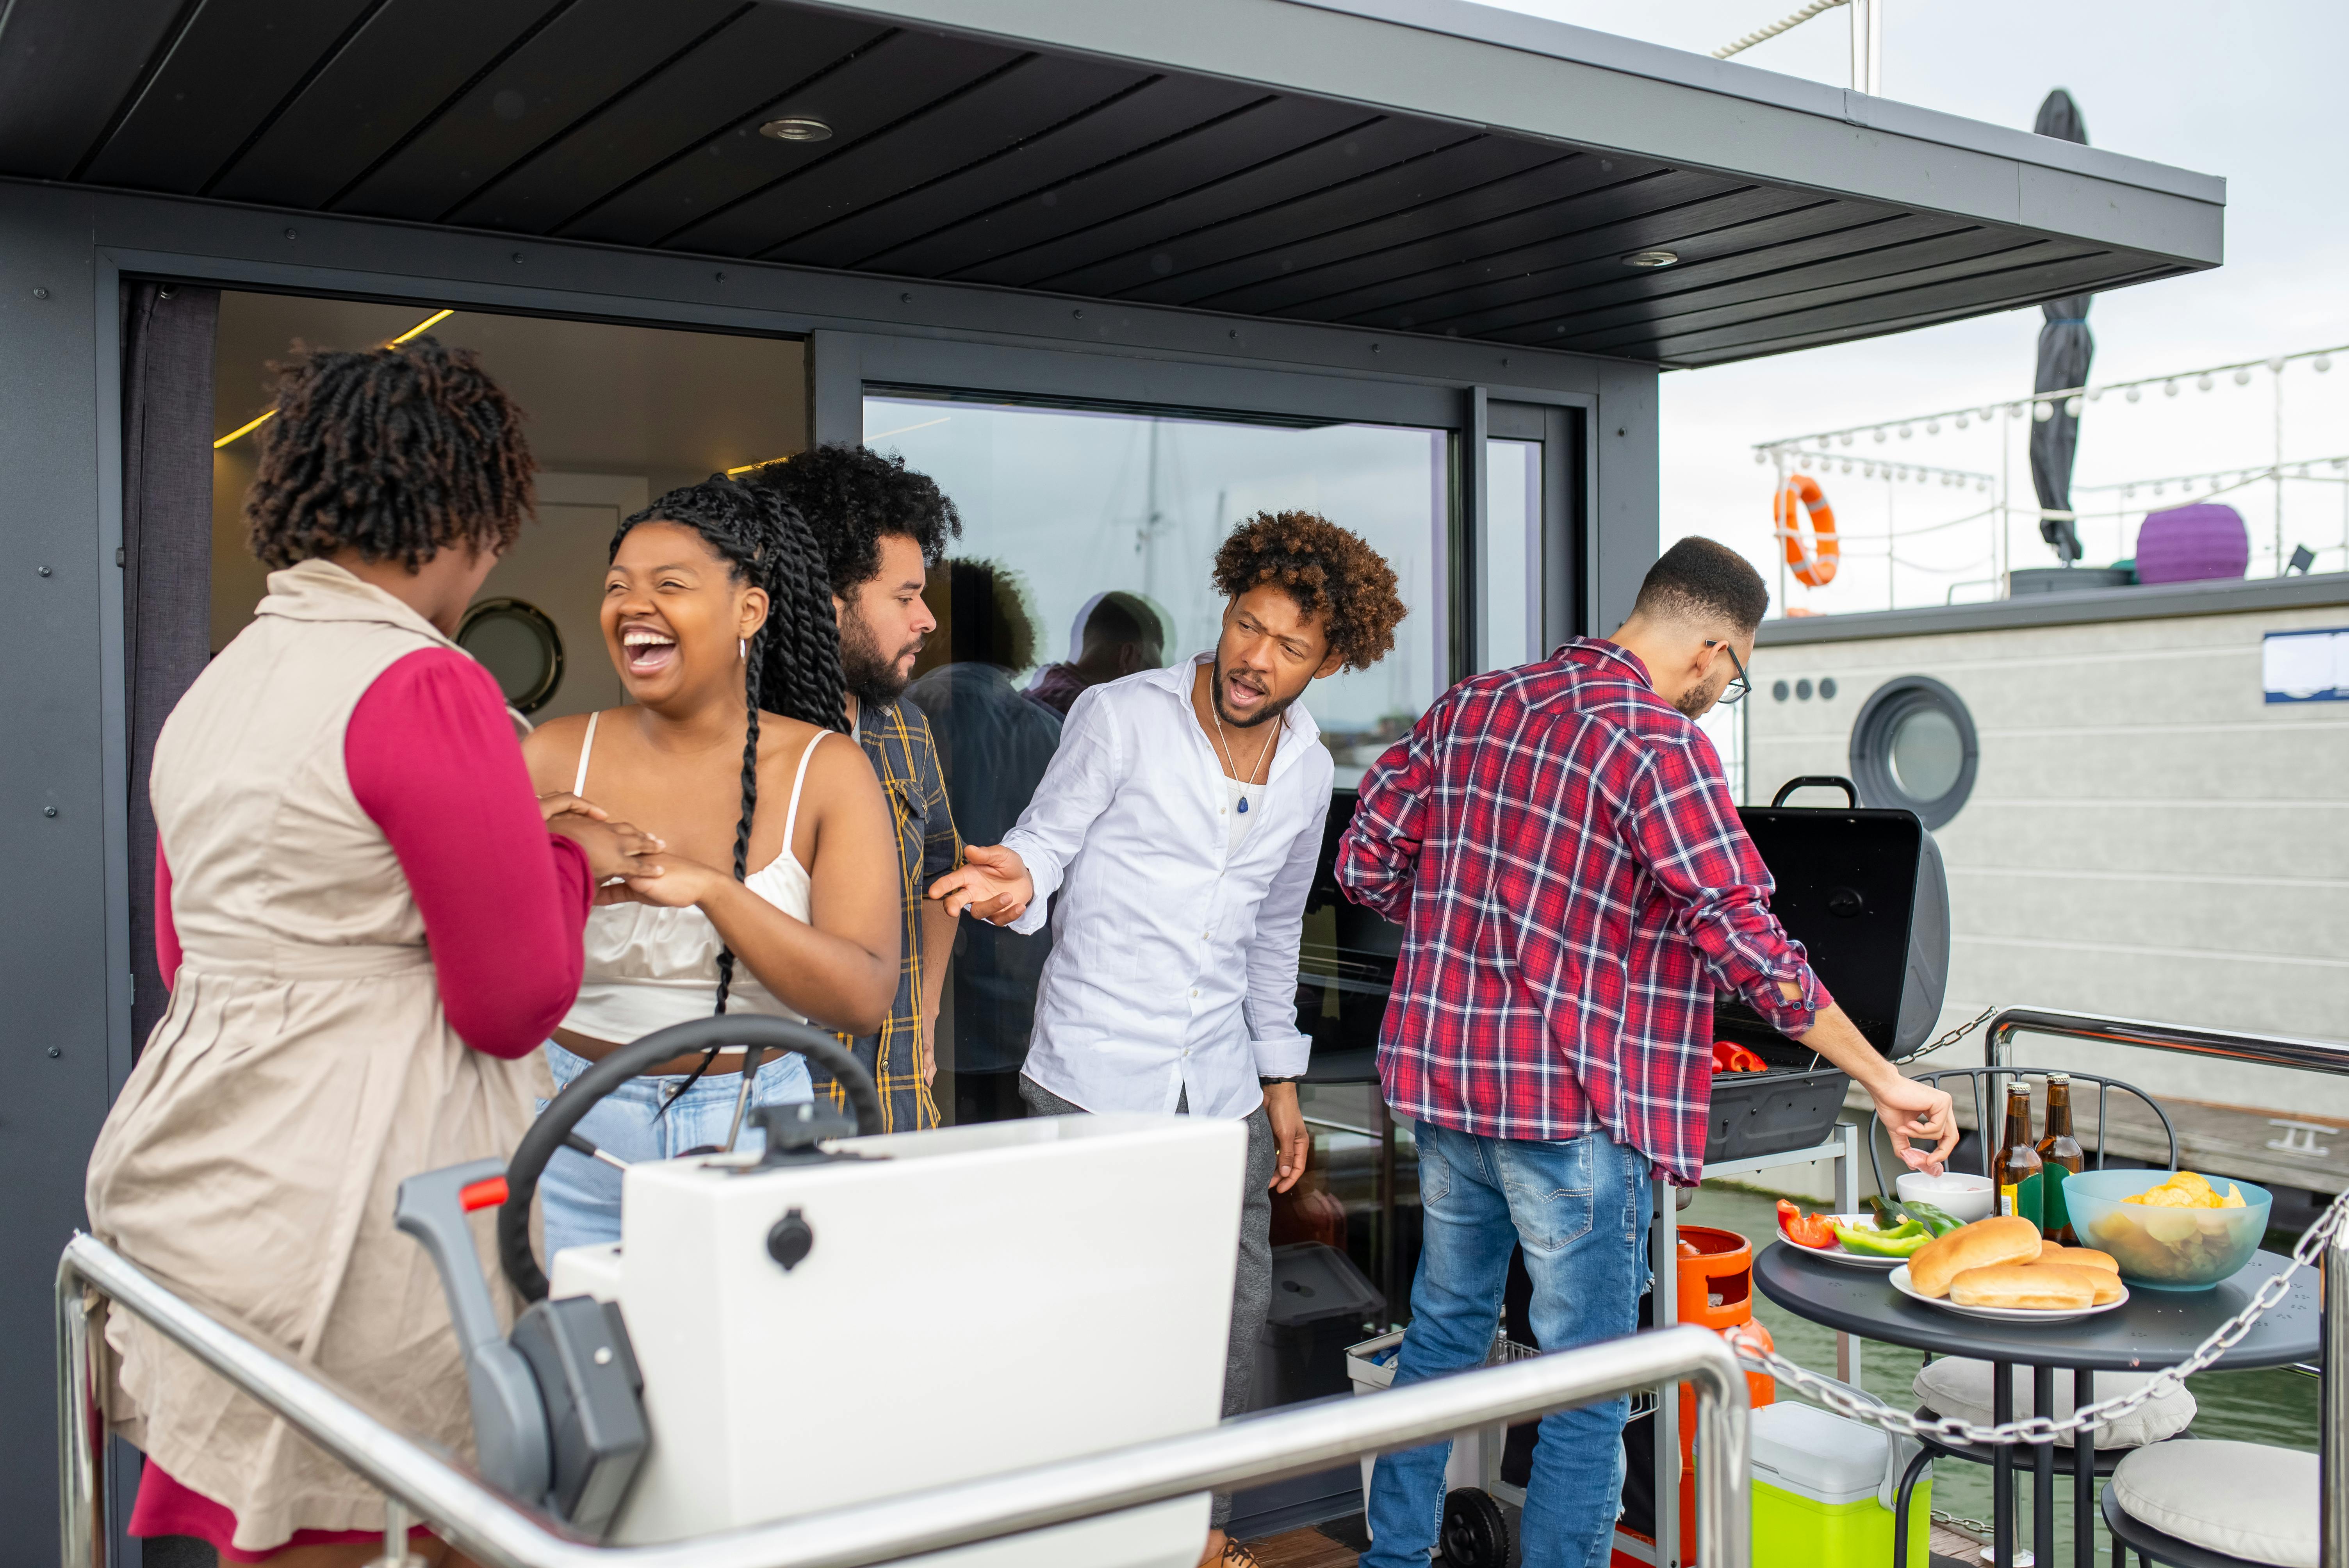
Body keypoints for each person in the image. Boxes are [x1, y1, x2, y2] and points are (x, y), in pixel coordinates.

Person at [86, 339, 658, 1565]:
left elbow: (188, 953)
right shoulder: (424, 684)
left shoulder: (220, 686)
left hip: (203, 1175)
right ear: (460, 517)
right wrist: (574, 860)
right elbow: (512, 999)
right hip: (359, 1207)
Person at [1335, 536, 1959, 1568]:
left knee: (1444, 1337)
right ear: (1714, 648)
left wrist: (1466, 928)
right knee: (1591, 1379)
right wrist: (1885, 1080)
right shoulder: (1658, 745)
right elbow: (1751, 946)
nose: (1724, 690)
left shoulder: (1470, 705)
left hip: (1446, 1092)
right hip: (1575, 1112)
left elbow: (1365, 864)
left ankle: (1394, 1560)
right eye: (1738, 674)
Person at [930, 511, 1410, 1568]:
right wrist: (1014, 880)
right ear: (1227, 609)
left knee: (1224, 1319)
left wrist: (1281, 1085)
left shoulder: (1305, 766)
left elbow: (1273, 927)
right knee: (1091, 1314)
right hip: (1094, 1073)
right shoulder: (1121, 716)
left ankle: (1201, 1529)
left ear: (1331, 661)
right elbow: (1046, 846)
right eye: (1248, 625)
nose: (1255, 657)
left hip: (1222, 1088)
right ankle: (1076, 1534)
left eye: (1290, 646)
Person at [524, 476, 902, 1254]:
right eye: (617, 587)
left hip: (758, 1133)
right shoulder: (555, 754)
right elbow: (486, 959)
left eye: (670, 585)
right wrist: (537, 857)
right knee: (575, 1370)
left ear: (749, 611)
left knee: (750, 1373)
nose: (632, 605)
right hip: (564, 1130)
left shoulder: (826, 770)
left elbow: (862, 997)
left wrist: (714, 893)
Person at [749, 444, 964, 1131]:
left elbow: (941, 875)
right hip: (770, 1122)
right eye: (905, 596)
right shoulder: (726, 742)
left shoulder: (904, 729)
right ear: (825, 598)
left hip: (898, 1108)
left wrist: (924, 1022)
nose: (926, 619)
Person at [903, 558, 1062, 1123]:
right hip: (1025, 997)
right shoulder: (1048, 728)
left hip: (941, 1007)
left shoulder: (912, 716)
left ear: (938, 625)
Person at [1025, 588, 1168, 716]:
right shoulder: (1097, 715)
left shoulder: (1032, 695)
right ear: (1127, 656)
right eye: (1149, 671)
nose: (1153, 690)